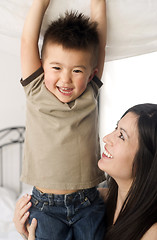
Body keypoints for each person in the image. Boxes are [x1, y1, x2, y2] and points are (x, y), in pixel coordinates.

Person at [16, 0, 107, 239]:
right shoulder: (36, 90)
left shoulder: (90, 92)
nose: (65, 80)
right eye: (56, 67)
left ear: (91, 74)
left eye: (77, 71)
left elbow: (100, 41)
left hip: (88, 202)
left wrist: (98, 4)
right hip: (45, 207)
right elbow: (27, 42)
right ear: (42, 66)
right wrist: (41, 3)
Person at [14, 103, 157, 240]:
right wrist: (30, 233)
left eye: (121, 136)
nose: (107, 138)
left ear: (148, 160)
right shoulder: (91, 200)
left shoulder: (152, 232)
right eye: (116, 128)